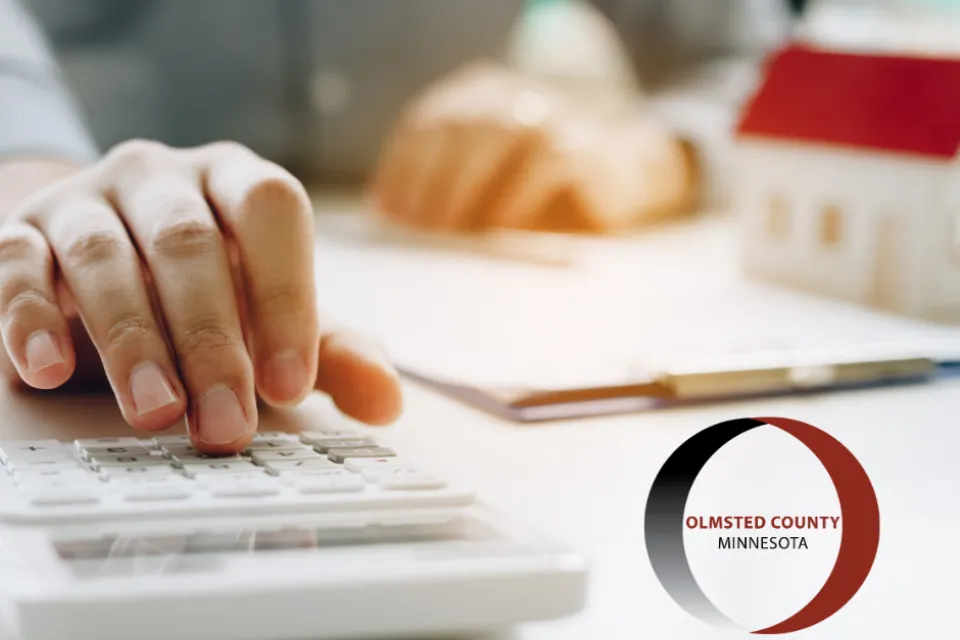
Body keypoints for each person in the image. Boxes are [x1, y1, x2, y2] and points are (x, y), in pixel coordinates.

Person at [0, 0, 796, 453]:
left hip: (455, 268)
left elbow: (758, 61)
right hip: (88, 303)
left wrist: (650, 150)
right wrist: (42, 199)